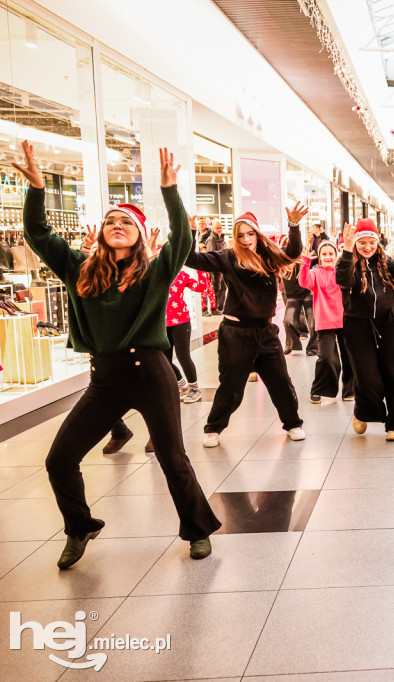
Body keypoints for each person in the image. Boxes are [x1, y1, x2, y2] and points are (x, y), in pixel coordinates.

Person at [17, 143, 221, 568]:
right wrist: (37, 189)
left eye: (126, 221)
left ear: (140, 234)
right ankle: (80, 526)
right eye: (110, 220)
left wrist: (169, 189)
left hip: (150, 373)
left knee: (172, 458)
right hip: (104, 379)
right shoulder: (77, 268)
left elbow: (182, 239)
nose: (116, 225)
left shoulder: (155, 271)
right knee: (59, 459)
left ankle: (197, 529)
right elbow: (38, 235)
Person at [186, 206, 308, 447]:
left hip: (265, 332)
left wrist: (294, 226)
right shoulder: (229, 256)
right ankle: (213, 428)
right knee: (231, 387)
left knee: (280, 381)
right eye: (240, 235)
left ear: (257, 234)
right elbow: (193, 259)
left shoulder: (269, 255)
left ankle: (293, 423)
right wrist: (190, 232)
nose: (245, 239)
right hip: (235, 333)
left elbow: (293, 251)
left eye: (249, 234)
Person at [336, 218, 394, 440]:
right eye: (362, 242)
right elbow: (343, 280)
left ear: (377, 241)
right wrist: (345, 249)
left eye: (371, 241)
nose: (367, 247)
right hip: (356, 324)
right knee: (368, 378)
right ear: (355, 243)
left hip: (388, 322)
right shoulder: (348, 262)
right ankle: (363, 410)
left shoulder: (386, 262)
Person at [299, 239, 355, 403]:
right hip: (325, 320)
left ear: (336, 255)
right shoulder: (316, 273)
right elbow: (304, 282)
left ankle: (349, 390)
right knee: (326, 357)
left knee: (350, 357)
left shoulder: (342, 272)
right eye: (324, 254)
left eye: (331, 254)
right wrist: (305, 262)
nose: (328, 257)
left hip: (346, 319)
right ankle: (318, 388)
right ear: (320, 257)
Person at [164, 259, 205, 404]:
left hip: (181, 321)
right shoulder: (155, 276)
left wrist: (201, 268)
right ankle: (182, 385)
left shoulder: (182, 276)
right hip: (162, 323)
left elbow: (200, 288)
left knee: (183, 356)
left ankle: (195, 389)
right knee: (164, 359)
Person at [280, 242, 317, 355]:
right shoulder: (282, 264)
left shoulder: (303, 260)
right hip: (293, 296)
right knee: (288, 321)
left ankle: (313, 347)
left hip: (307, 294)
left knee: (313, 322)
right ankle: (292, 344)